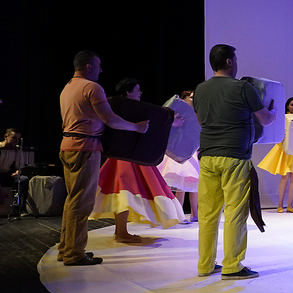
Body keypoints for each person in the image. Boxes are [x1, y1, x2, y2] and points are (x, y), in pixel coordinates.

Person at [59, 50, 149, 266]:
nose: (101, 70)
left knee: (72, 200)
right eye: (98, 66)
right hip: (85, 147)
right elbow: (110, 119)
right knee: (81, 203)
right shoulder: (92, 87)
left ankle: (66, 248)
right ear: (88, 67)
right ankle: (74, 254)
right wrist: (136, 127)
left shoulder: (68, 87)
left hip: (68, 146)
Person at [194, 44, 275, 280]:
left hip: (207, 156)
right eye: (235, 59)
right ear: (229, 62)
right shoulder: (243, 88)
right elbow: (265, 120)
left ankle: (205, 264)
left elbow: (201, 121)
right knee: (235, 212)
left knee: (208, 214)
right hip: (235, 157)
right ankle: (232, 266)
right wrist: (273, 111)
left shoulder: (200, 89)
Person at [89, 78, 187, 242]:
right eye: (137, 90)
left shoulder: (121, 107)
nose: (140, 93)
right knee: (124, 192)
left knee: (123, 193)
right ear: (128, 92)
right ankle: (121, 232)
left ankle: (121, 231)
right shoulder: (126, 108)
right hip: (126, 157)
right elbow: (154, 119)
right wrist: (170, 121)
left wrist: (170, 121)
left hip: (127, 155)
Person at [158, 90, 200, 223]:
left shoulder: (195, 113)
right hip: (179, 149)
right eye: (191, 97)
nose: (193, 100)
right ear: (185, 98)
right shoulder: (179, 111)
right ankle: (179, 214)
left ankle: (195, 214)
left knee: (194, 184)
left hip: (191, 150)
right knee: (180, 184)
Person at [0, 128, 30, 217]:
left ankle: (20, 209)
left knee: (24, 180)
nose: (16, 141)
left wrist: (17, 172)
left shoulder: (17, 150)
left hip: (8, 175)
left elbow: (19, 167)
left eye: (18, 139)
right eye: (13, 138)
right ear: (6, 137)